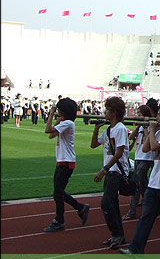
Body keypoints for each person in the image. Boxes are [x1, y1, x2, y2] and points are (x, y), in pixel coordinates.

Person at [119, 102, 160, 254]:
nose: (157, 117)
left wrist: (153, 129)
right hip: (155, 182)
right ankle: (135, 248)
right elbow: (145, 148)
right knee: (146, 217)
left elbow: (155, 147)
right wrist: (150, 130)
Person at [43, 98, 90, 232]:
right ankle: (80, 207)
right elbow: (51, 136)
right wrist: (58, 121)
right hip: (62, 160)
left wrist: (51, 114)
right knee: (58, 192)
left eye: (58, 110)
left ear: (63, 111)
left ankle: (60, 220)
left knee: (57, 193)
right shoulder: (65, 123)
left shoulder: (68, 123)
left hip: (66, 161)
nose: (56, 112)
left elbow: (47, 130)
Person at [91, 96, 130, 249]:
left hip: (116, 172)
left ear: (114, 112)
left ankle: (117, 234)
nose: (105, 112)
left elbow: (119, 152)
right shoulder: (109, 129)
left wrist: (104, 169)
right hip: (110, 171)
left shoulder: (120, 128)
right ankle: (117, 235)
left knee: (106, 203)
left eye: (107, 109)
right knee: (111, 204)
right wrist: (96, 130)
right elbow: (94, 145)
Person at [122, 105, 155, 220]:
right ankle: (150, 203)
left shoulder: (151, 125)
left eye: (140, 114)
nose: (138, 116)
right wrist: (137, 128)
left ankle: (132, 211)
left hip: (147, 158)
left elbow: (148, 140)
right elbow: (130, 138)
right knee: (143, 183)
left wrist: (145, 127)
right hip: (138, 156)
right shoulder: (140, 127)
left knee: (136, 183)